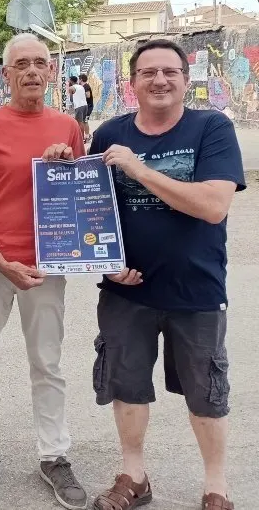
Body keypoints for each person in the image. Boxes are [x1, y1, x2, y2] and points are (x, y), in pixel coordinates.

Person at [88, 39, 244, 510]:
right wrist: (106, 264)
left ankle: (216, 488)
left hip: (195, 289)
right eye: (148, 72)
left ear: (184, 78)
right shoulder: (109, 133)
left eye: (170, 72)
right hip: (125, 292)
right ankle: (133, 476)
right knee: (127, 385)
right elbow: (92, 215)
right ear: (132, 81)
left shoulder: (211, 128)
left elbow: (213, 206)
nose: (159, 80)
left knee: (206, 392)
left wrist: (138, 170)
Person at [0, 33, 89, 510]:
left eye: (40, 63)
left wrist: (66, 167)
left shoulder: (68, 126)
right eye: (21, 65)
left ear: (51, 71)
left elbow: (76, 201)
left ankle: (53, 455)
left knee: (47, 363)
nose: (31, 71)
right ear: (4, 75)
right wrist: (0, 261)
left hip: (47, 266)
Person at [69, 76, 89, 143]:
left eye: (69, 80)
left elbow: (71, 99)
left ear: (71, 81)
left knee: (79, 123)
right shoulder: (81, 86)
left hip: (79, 106)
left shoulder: (71, 88)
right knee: (82, 122)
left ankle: (81, 139)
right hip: (85, 105)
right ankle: (82, 138)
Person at [79, 74, 94, 142]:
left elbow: (88, 95)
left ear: (81, 79)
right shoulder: (83, 86)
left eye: (79, 79)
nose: (78, 80)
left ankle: (87, 136)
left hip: (89, 106)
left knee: (85, 121)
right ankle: (87, 135)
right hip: (85, 106)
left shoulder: (86, 86)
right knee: (83, 121)